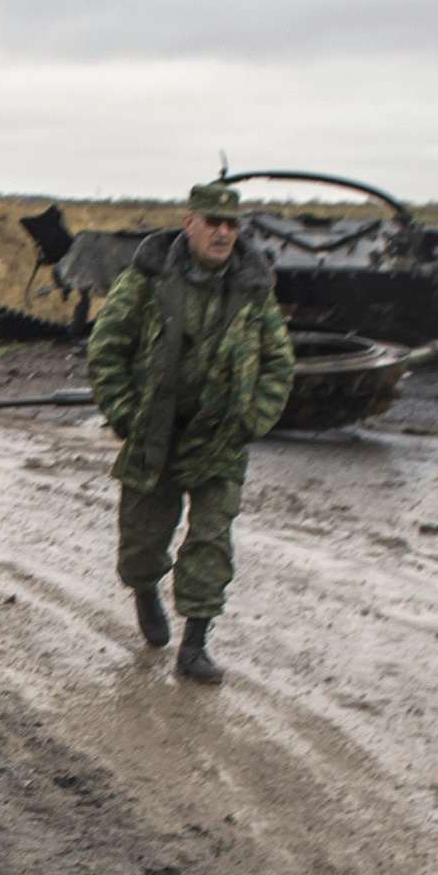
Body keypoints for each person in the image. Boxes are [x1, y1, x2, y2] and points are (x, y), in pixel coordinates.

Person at [87, 179, 298, 683]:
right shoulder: (149, 277)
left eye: (231, 224)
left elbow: (278, 362)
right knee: (142, 539)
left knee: (211, 538)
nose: (223, 233)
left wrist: (252, 419)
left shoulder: (252, 285)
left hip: (221, 436)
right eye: (213, 223)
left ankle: (195, 644)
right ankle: (144, 590)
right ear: (190, 223)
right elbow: (107, 347)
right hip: (155, 432)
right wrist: (123, 412)